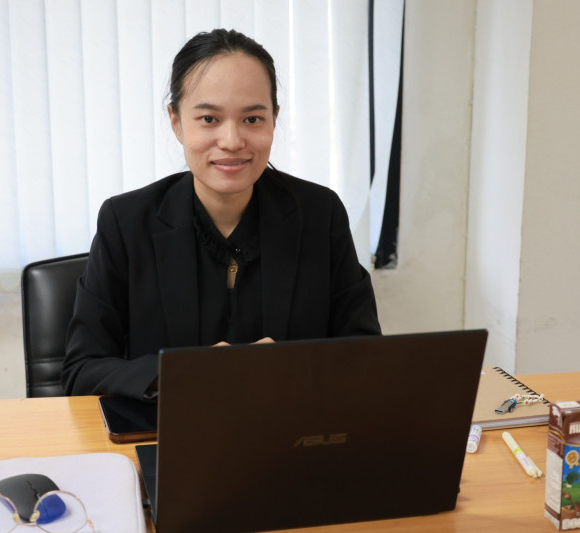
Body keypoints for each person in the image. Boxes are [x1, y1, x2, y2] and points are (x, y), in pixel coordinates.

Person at [62, 28, 381, 399]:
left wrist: (293, 364)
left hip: (290, 427)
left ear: (274, 119)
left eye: (252, 119)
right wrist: (186, 372)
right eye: (209, 119)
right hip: (169, 431)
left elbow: (366, 355)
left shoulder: (320, 214)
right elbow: (82, 372)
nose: (232, 141)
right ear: (176, 122)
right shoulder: (125, 222)